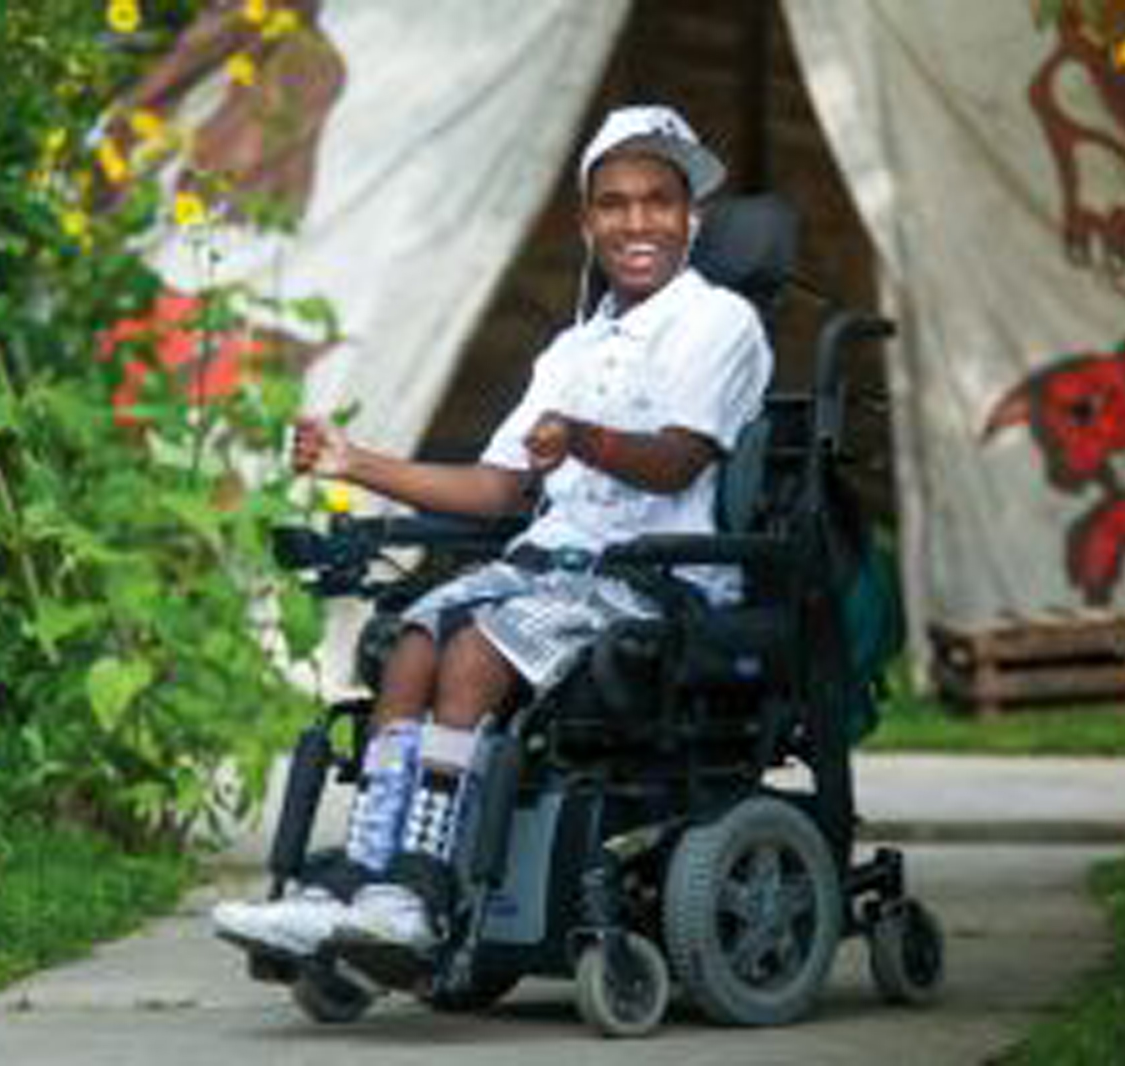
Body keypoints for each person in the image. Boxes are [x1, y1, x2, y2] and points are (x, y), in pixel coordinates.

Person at [212, 104, 773, 981]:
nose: (637, 222)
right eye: (614, 204)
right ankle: (369, 880)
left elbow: (674, 463)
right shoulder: (572, 350)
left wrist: (581, 440)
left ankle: (425, 886)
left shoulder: (718, 322)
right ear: (586, 224)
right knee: (412, 645)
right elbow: (499, 488)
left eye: (657, 201)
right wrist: (354, 462)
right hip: (552, 568)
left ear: (689, 216)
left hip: (658, 579)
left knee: (474, 653)